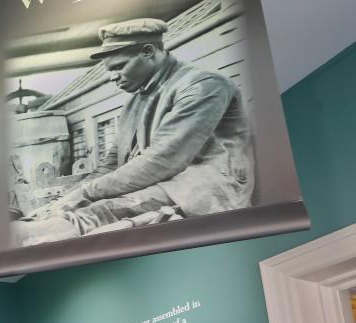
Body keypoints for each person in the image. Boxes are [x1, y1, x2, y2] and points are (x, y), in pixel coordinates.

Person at [19, 18, 254, 238]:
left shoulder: (203, 85)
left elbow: (163, 160)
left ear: (148, 52)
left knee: (99, 214)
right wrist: (71, 195)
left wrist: (85, 193)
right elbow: (112, 162)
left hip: (202, 187)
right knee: (72, 210)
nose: (112, 77)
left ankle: (34, 237)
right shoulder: (136, 99)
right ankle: (36, 229)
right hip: (160, 182)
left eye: (118, 67)